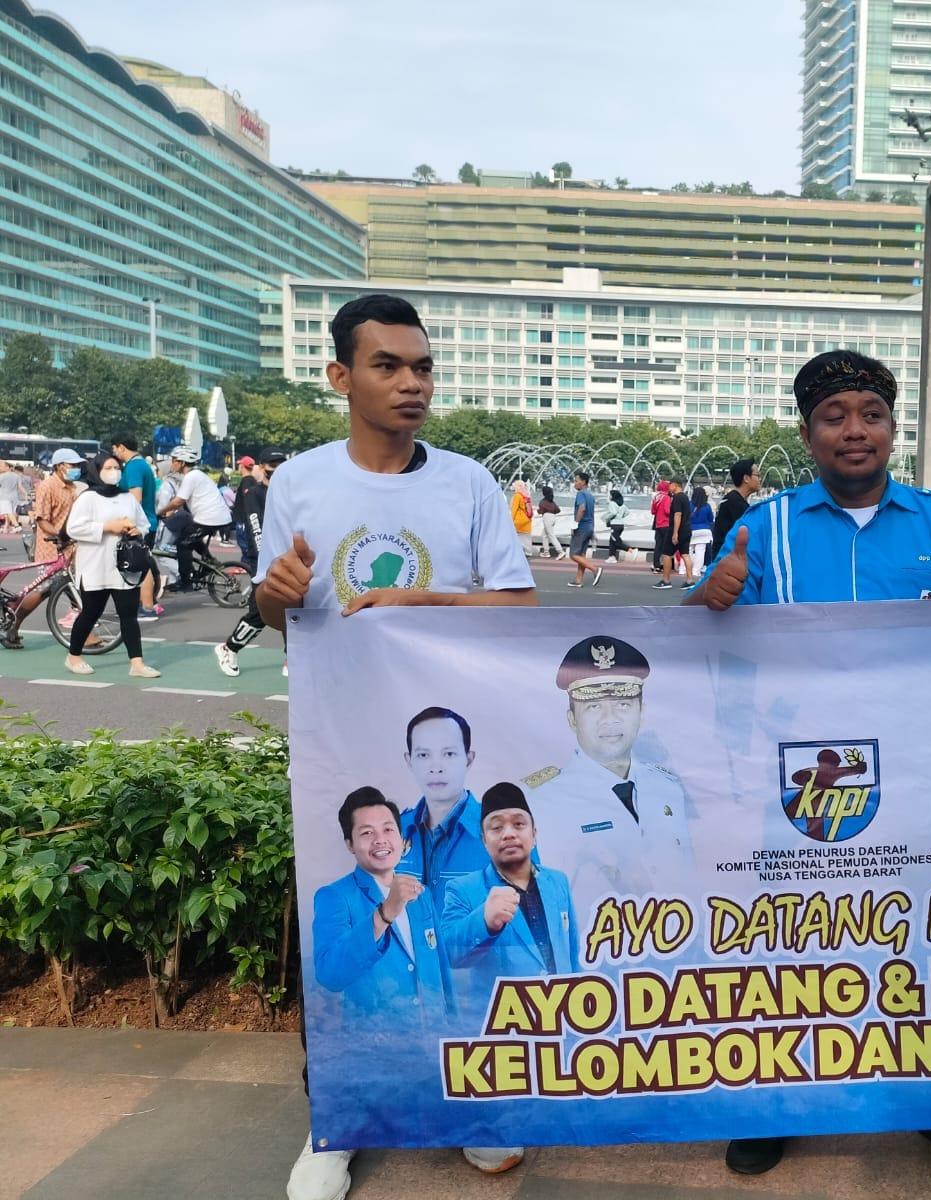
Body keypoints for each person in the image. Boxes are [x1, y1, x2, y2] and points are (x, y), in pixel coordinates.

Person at [689, 348, 931, 1186]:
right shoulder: (763, 528)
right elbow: (686, 639)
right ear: (807, 433)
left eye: (871, 414)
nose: (855, 430)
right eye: (834, 416)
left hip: (924, 781)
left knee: (926, 941)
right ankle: (776, 1101)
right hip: (799, 785)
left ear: (893, 428)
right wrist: (709, 597)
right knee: (792, 943)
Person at [253, 293, 536, 1200]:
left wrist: (426, 602)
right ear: (341, 376)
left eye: (422, 367)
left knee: (459, 921)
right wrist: (274, 595)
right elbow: (276, 612)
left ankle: (471, 1106)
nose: (411, 383)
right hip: (342, 741)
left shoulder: (468, 483)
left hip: (442, 751)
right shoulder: (299, 482)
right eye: (387, 366)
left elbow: (520, 606)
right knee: (347, 922)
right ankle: (336, 1121)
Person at [524, 636, 693, 912]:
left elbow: (688, 881)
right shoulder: (539, 800)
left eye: (623, 705)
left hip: (676, 933)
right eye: (594, 707)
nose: (610, 719)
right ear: (572, 719)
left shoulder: (667, 787)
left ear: (641, 712)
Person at [311, 788, 451, 1025]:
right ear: (350, 844)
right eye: (367, 832)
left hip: (432, 1034)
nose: (380, 840)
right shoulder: (334, 897)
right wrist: (384, 914)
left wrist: (453, 1028)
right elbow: (329, 975)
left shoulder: (420, 892)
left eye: (388, 829)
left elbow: (441, 968)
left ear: (401, 838)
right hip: (377, 1038)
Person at [442, 782, 578, 1008]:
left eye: (519, 824)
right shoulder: (462, 889)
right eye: (496, 827)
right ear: (484, 840)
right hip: (506, 1022)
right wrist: (485, 921)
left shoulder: (557, 882)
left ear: (534, 834)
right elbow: (447, 955)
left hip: (562, 1015)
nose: (509, 834)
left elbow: (572, 953)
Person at [62, 452, 159, 679]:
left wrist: (136, 529)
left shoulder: (127, 497)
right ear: (97, 471)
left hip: (124, 566)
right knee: (91, 613)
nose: (113, 472)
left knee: (128, 615)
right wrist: (107, 527)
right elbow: (73, 529)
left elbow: (144, 523)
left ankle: (137, 663)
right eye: (108, 468)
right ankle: (73, 656)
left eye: (116, 467)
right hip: (95, 565)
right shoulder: (88, 498)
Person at [395, 707, 493, 894]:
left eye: (449, 754)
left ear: (468, 759)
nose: (436, 768)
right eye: (423, 755)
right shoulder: (393, 830)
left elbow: (532, 906)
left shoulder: (503, 830)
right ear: (409, 761)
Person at [213, 453, 286, 678]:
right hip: (263, 560)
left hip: (288, 558)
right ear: (262, 467)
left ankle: (292, 658)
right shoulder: (255, 493)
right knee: (260, 612)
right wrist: (267, 561)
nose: (276, 469)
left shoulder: (287, 492)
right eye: (272, 465)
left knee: (293, 609)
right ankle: (230, 648)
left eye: (280, 465)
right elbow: (256, 526)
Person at [1, 449, 81, 650]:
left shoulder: (72, 487)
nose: (76, 468)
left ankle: (13, 627)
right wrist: (59, 535)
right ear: (59, 466)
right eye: (72, 465)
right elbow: (42, 519)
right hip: (51, 547)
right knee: (46, 589)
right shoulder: (48, 486)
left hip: (69, 547)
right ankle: (13, 626)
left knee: (57, 589)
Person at [158, 446, 232, 592]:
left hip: (210, 518)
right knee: (190, 534)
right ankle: (209, 561)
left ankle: (185, 581)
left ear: (182, 462)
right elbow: (182, 501)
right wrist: (170, 510)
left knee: (182, 545)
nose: (172, 463)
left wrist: (161, 511)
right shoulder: (196, 475)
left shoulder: (191, 476)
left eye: (174, 460)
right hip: (213, 517)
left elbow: (178, 501)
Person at [110, 435, 162, 618]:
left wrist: (125, 522)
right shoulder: (141, 465)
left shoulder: (134, 467)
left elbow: (135, 498)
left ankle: (147, 607)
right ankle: (145, 603)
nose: (114, 453)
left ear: (121, 447)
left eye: (114, 449)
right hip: (146, 521)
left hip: (140, 524)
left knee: (141, 565)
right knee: (142, 563)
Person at [709, 458, 761, 562]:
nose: (760, 479)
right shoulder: (735, 503)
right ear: (746, 478)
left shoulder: (733, 499)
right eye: (757, 475)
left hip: (725, 558)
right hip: (728, 561)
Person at [567, 471, 603, 587]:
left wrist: (575, 524)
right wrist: (592, 530)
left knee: (573, 554)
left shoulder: (581, 494)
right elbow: (590, 513)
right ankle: (578, 580)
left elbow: (582, 509)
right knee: (581, 554)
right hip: (589, 527)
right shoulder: (590, 495)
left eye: (576, 481)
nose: (574, 483)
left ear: (583, 482)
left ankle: (595, 569)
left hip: (582, 527)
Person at [667, 478, 692, 587]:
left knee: (666, 554)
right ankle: (690, 580)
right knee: (685, 554)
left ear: (675, 485)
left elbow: (678, 514)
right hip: (687, 529)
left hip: (678, 530)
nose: (669, 487)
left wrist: (675, 533)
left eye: (670, 485)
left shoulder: (677, 497)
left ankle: (666, 580)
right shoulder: (685, 497)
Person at [687, 485, 714, 580]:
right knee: (700, 552)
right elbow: (711, 519)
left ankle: (685, 569)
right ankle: (696, 571)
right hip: (705, 530)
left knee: (688, 550)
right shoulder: (707, 506)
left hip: (691, 530)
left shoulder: (689, 505)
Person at [649, 479, 673, 585]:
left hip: (658, 524)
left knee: (658, 546)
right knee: (666, 547)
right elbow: (668, 511)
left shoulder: (656, 497)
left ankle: (656, 566)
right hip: (666, 524)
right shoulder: (667, 497)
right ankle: (666, 565)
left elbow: (653, 511)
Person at [536, 484, 563, 558]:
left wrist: (538, 511)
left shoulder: (542, 502)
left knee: (551, 535)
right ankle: (546, 552)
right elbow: (558, 510)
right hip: (553, 518)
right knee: (544, 535)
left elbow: (541, 511)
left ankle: (560, 551)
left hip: (547, 518)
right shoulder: (552, 502)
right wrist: (551, 511)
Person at [603, 488, 629, 560]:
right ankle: (612, 557)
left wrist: (605, 518)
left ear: (613, 496)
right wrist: (620, 517)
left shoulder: (612, 503)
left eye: (610, 495)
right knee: (612, 541)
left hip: (615, 525)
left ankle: (630, 550)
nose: (609, 496)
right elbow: (627, 512)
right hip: (621, 525)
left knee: (616, 541)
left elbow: (613, 513)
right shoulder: (622, 504)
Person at [508, 479, 533, 550]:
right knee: (526, 540)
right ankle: (528, 552)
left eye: (515, 486)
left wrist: (510, 521)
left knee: (515, 539)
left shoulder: (517, 496)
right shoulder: (527, 495)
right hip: (527, 520)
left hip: (519, 521)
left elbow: (514, 510)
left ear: (517, 487)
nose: (514, 488)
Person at [0, 460, 22, 531]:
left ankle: (16, 526)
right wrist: (25, 494)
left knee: (8, 512)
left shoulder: (1, 476)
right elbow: (20, 487)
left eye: (1, 466)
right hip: (14, 497)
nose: (0, 468)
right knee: (10, 513)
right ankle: (6, 527)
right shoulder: (17, 476)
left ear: (7, 467)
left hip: (4, 497)